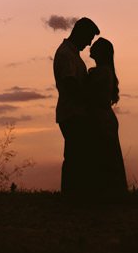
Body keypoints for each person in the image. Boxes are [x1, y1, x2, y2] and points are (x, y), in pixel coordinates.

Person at [53, 16, 99, 197]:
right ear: (81, 33)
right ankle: (71, 195)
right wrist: (89, 100)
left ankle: (74, 193)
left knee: (76, 154)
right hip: (72, 112)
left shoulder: (71, 54)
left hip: (74, 111)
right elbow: (70, 84)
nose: (89, 44)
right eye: (88, 39)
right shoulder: (66, 54)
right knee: (75, 156)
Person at [86, 37, 127, 197]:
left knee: (104, 155)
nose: (91, 51)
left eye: (95, 49)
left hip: (100, 118)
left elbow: (89, 95)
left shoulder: (101, 72)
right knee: (109, 155)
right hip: (104, 117)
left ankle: (107, 193)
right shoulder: (106, 72)